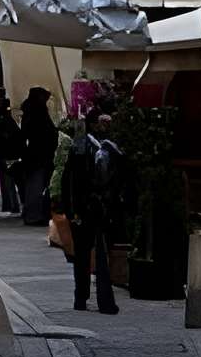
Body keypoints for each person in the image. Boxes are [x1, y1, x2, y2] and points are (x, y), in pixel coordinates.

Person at [60, 106, 127, 313]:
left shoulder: (111, 147)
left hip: (103, 207)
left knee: (102, 254)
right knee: (82, 255)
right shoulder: (81, 146)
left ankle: (104, 299)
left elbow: (117, 179)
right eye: (101, 121)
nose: (105, 126)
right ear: (93, 124)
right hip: (84, 207)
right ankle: (81, 297)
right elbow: (70, 180)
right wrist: (72, 210)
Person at [19, 86, 58, 226]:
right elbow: (43, 133)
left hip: (35, 153)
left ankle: (31, 213)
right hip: (39, 154)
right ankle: (33, 216)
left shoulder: (30, 112)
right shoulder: (37, 112)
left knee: (33, 185)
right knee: (35, 186)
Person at [0, 95, 25, 216]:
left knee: (7, 182)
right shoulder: (10, 122)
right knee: (12, 182)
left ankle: (10, 205)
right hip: (12, 155)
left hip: (4, 155)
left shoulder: (1, 121)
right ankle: (13, 205)